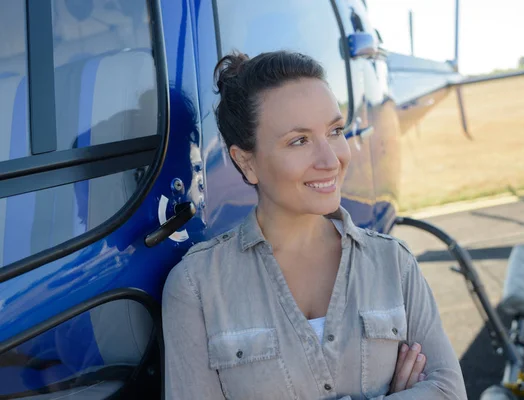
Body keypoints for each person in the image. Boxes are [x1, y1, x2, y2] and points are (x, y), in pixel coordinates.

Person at [162, 50, 467, 400]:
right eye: (299, 140)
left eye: (335, 131)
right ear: (246, 162)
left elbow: (448, 391)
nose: (330, 159)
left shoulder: (393, 262)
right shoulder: (195, 287)